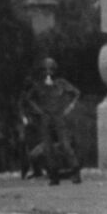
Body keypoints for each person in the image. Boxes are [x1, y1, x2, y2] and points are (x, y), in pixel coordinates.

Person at [20, 57, 81, 185]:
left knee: (65, 145)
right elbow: (28, 98)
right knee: (48, 148)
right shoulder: (39, 85)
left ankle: (75, 171)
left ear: (55, 70)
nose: (48, 73)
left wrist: (69, 107)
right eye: (46, 69)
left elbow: (76, 93)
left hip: (58, 117)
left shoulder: (61, 83)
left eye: (51, 69)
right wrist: (38, 110)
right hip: (46, 118)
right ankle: (54, 175)